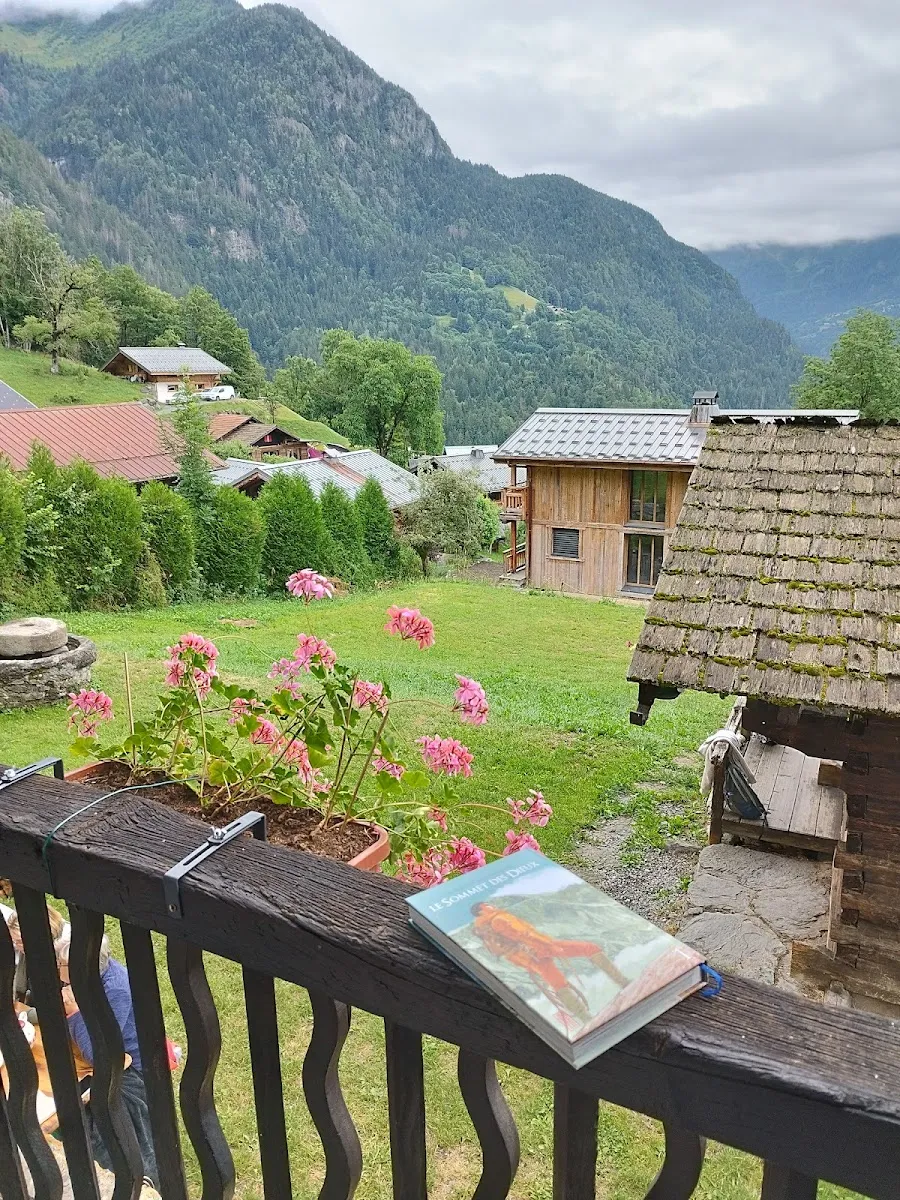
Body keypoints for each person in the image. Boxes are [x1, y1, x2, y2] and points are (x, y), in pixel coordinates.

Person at [57, 938, 159, 1191]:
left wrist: (73, 1013)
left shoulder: (115, 991)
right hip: (97, 1061)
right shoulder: (88, 982)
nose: (56, 968)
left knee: (116, 1128)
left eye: (60, 963)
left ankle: (139, 1181)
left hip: (130, 1067)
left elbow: (99, 1054)